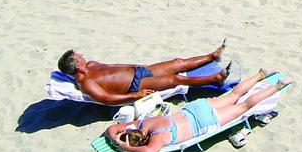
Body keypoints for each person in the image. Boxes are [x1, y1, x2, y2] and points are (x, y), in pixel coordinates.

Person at [103, 70, 291, 152]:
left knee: (244, 106)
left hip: (204, 121)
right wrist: (117, 137)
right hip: (195, 109)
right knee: (235, 95)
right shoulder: (142, 124)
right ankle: (259, 75)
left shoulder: (156, 140)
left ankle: (277, 86)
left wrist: (123, 146)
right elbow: (113, 128)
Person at [58, 42, 234, 106]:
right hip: (134, 86)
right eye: (77, 56)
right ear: (77, 65)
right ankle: (216, 79)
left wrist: (137, 66)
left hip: (139, 71)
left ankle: (213, 56)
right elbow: (107, 99)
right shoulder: (86, 83)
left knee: (177, 63)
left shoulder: (91, 64)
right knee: (176, 79)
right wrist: (136, 94)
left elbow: (115, 66)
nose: (81, 55)